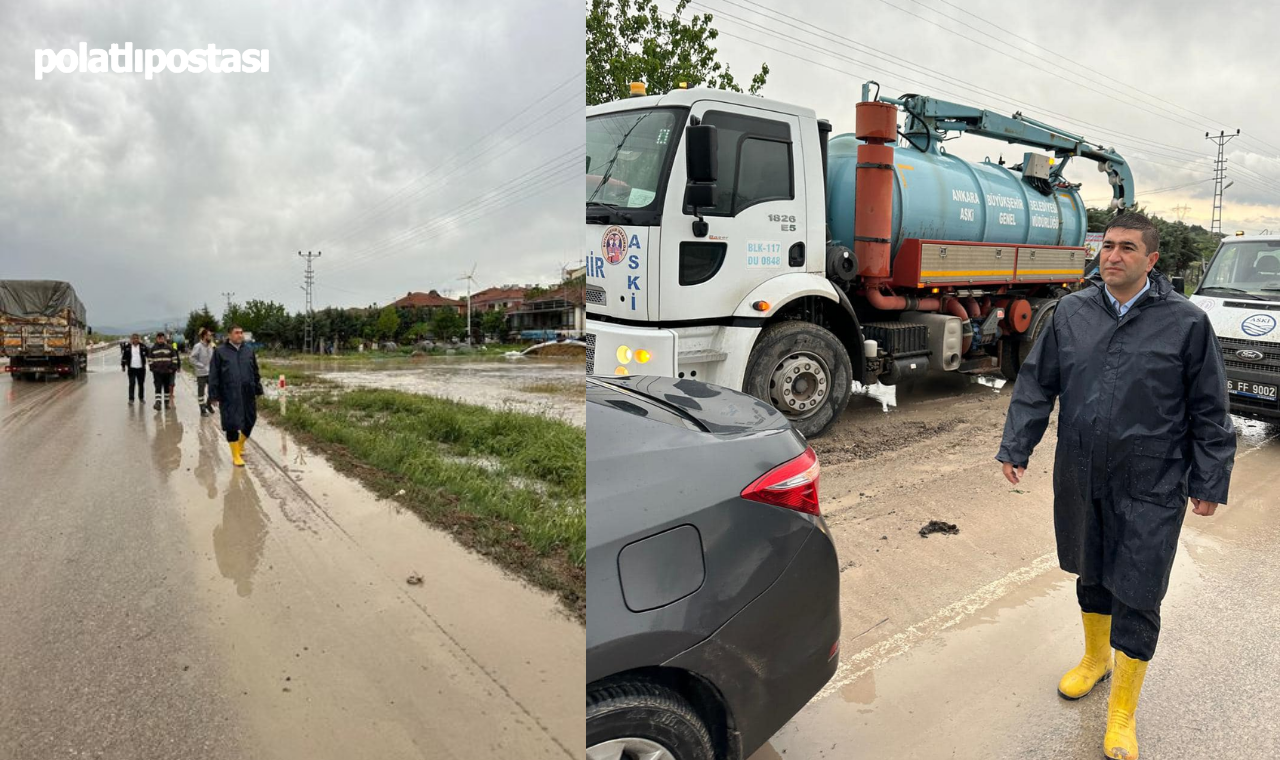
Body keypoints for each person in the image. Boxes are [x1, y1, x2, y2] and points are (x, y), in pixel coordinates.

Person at [996, 212, 1236, 760]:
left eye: (1128, 248)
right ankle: (1094, 659)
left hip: (1152, 479)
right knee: (1091, 569)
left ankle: (1123, 710)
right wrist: (1017, 445)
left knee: (1139, 588)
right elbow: (1037, 386)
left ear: (1152, 261)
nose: (1113, 256)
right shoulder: (1071, 314)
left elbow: (1209, 408)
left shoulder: (1186, 323)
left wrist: (1209, 478)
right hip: (1082, 471)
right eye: (1107, 246)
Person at [207, 325, 263, 467]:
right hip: (229, 393)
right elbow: (214, 374)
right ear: (229, 335)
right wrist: (213, 395)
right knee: (232, 423)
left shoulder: (249, 351)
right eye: (236, 333)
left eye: (241, 332)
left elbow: (255, 371)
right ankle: (235, 455)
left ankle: (240, 443)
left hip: (247, 392)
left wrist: (258, 388)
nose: (240, 335)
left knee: (250, 420)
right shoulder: (220, 352)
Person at [148, 331, 180, 410]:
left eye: (162, 338)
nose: (160, 340)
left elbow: (174, 359)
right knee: (158, 387)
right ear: (156, 339)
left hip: (167, 372)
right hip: (157, 372)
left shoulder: (169, 347)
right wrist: (153, 369)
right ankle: (158, 403)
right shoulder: (153, 349)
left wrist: (172, 369)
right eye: (159, 338)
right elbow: (150, 359)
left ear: (164, 338)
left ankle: (166, 403)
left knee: (166, 388)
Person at [190, 328, 216, 416]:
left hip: (211, 372)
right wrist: (201, 365)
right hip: (201, 372)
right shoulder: (198, 346)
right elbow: (192, 358)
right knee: (201, 391)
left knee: (213, 389)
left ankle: (208, 404)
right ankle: (202, 409)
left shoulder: (211, 346)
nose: (211, 337)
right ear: (204, 336)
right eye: (209, 335)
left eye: (211, 335)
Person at [120, 333, 150, 404]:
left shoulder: (143, 346)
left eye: (137, 338)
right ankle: (131, 399)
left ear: (139, 339)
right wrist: (123, 366)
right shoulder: (127, 347)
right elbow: (124, 357)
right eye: (134, 338)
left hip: (141, 369)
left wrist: (151, 364)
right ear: (131, 339)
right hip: (132, 369)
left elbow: (148, 355)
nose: (135, 340)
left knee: (141, 384)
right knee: (132, 383)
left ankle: (141, 398)